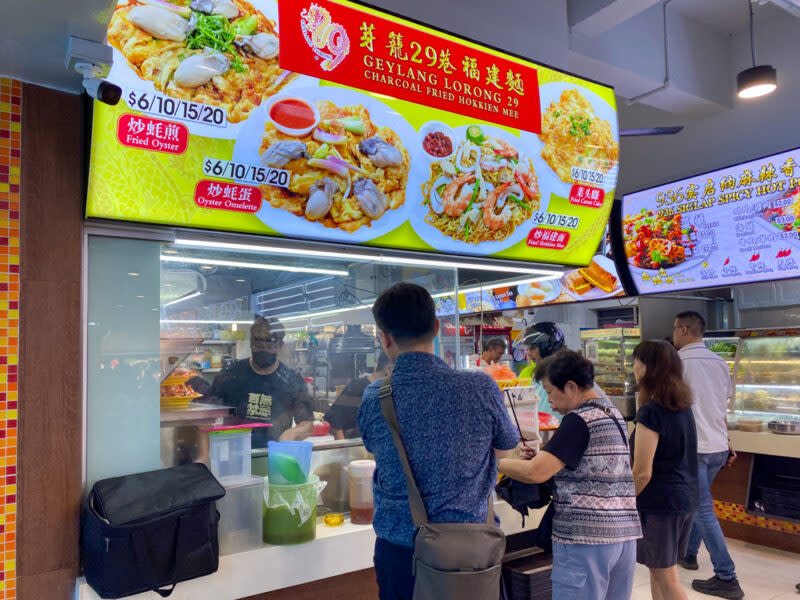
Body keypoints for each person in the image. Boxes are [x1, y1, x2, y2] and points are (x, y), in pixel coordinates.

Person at [358, 282, 519, 600]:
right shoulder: (480, 387)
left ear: (384, 337)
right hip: (471, 550)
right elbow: (505, 448)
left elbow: (373, 447)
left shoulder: (375, 396)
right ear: (435, 327)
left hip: (401, 551)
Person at [499, 350, 642, 600]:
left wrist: (496, 462)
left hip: (586, 540)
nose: (549, 400)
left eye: (550, 391)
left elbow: (536, 472)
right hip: (623, 537)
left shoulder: (579, 419)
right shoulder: (613, 414)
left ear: (571, 386)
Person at [672, 311, 744, 600]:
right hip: (716, 446)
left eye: (675, 329)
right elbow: (720, 408)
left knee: (701, 508)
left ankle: (727, 576)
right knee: (700, 503)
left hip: (694, 448)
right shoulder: (719, 362)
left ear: (685, 330)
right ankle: (689, 554)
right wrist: (727, 441)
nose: (674, 334)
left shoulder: (677, 364)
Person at [631, 340, 699, 600]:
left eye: (637, 362)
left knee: (666, 577)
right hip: (683, 498)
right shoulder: (681, 406)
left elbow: (642, 472)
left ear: (649, 368)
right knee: (657, 571)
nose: (634, 368)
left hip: (660, 504)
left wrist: (623, 502)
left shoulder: (651, 412)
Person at [196, 316, 314, 447]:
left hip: (273, 454)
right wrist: (205, 457)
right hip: (232, 453)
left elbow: (307, 424)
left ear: (280, 346)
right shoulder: (229, 375)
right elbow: (207, 418)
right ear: (251, 344)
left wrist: (292, 434)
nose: (263, 351)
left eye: (269, 347)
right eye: (259, 346)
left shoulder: (292, 381)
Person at [324, 352, 393, 440]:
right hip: (358, 449)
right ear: (389, 369)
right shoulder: (358, 387)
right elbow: (334, 419)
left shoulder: (390, 390)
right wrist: (344, 448)